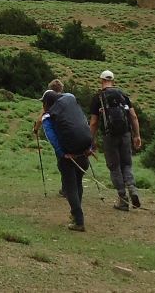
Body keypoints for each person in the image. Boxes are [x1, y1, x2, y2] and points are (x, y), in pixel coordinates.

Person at [88, 70, 143, 211]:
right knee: (127, 164)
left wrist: (90, 141)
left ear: (101, 81)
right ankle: (132, 189)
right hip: (125, 134)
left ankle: (123, 200)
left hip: (109, 136)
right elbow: (134, 116)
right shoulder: (123, 95)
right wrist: (137, 135)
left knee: (114, 167)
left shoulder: (98, 97)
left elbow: (94, 123)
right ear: (113, 81)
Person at [41, 88, 93, 231]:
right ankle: (75, 215)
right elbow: (84, 123)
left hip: (68, 155)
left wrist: (62, 153)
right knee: (78, 183)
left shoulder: (48, 117)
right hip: (84, 150)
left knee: (70, 187)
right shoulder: (71, 104)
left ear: (47, 103)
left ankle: (79, 221)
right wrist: (90, 146)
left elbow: (51, 137)